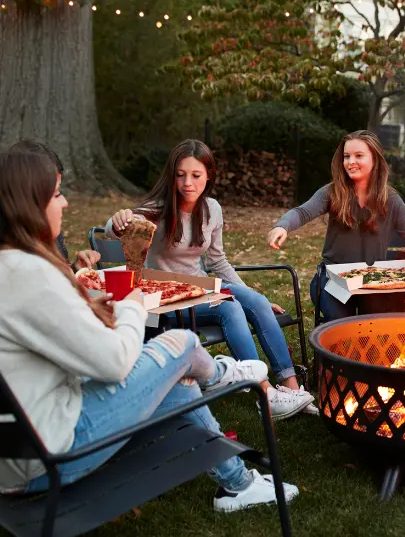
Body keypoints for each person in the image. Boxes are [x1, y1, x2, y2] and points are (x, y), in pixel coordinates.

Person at [0, 150, 299, 510]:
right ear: (31, 203)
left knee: (181, 382)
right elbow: (114, 362)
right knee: (183, 345)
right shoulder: (29, 273)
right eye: (57, 194)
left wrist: (89, 308)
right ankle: (220, 373)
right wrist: (130, 304)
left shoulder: (13, 268)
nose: (64, 204)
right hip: (44, 456)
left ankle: (237, 484)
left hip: (18, 450)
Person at [105, 139, 314, 420]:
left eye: (195, 175)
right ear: (172, 176)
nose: (187, 183)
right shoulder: (157, 209)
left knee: (255, 300)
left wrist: (250, 292)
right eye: (180, 175)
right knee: (229, 306)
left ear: (208, 176)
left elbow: (217, 261)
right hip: (169, 298)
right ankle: (264, 393)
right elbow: (113, 229)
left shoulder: (212, 209)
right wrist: (118, 220)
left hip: (202, 288)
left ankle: (290, 387)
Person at [268, 130, 405, 321]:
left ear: (375, 160)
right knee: (343, 324)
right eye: (346, 156)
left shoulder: (391, 199)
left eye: (358, 156)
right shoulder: (332, 192)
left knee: (377, 324)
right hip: (333, 280)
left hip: (372, 282)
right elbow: (302, 212)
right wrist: (283, 226)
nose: (350, 162)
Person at [8, 140, 101, 272]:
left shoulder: (48, 232)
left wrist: (75, 269)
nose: (65, 202)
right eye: (55, 194)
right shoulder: (16, 260)